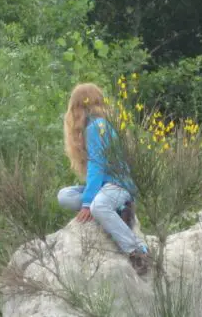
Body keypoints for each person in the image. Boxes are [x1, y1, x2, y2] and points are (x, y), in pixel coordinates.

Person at [58, 82, 149, 275]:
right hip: (105, 187)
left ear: (78, 107)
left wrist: (88, 203)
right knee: (64, 195)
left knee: (97, 206)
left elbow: (96, 165)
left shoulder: (97, 126)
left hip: (118, 185)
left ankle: (136, 251)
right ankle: (116, 210)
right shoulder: (93, 126)